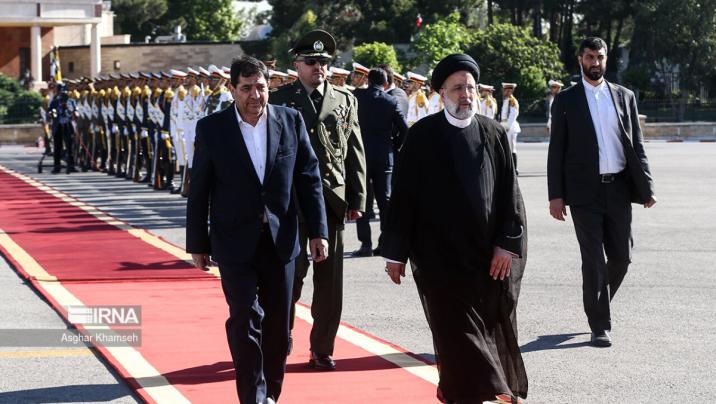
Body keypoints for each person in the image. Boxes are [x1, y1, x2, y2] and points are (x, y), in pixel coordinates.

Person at [382, 54, 528, 404]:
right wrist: (395, 252)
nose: (466, 95)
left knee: (479, 328)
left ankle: (455, 390)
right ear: (441, 93)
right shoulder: (422, 136)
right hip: (438, 258)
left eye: (471, 88)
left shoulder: (494, 133)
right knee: (456, 330)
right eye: (458, 88)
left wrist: (506, 243)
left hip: (486, 256)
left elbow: (510, 195)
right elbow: (403, 197)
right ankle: (493, 385)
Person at [186, 55, 329, 404]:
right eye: (247, 88)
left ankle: (271, 394)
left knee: (278, 325)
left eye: (261, 87)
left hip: (281, 240)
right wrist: (197, 243)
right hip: (234, 241)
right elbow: (199, 188)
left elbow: (308, 179)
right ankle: (253, 397)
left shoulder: (290, 120)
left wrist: (318, 231)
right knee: (245, 317)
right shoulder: (212, 128)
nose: (255, 95)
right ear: (232, 89)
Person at [548, 37, 657, 348]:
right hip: (584, 193)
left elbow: (636, 145)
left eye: (599, 57)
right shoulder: (566, 100)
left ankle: (597, 301)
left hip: (619, 188)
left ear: (606, 59)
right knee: (594, 259)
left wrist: (647, 187)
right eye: (589, 57)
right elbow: (557, 150)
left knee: (622, 257)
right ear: (580, 60)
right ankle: (600, 325)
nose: (594, 62)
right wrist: (556, 195)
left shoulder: (624, 96)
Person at [269, 29, 367, 370]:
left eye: (324, 61)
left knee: (329, 284)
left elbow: (354, 150)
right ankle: (281, 335)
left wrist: (357, 197)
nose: (319, 67)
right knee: (291, 276)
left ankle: (322, 348)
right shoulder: (279, 100)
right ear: (297, 64)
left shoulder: (345, 99)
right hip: (292, 202)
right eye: (311, 61)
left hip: (331, 200)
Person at [351, 68, 408, 257]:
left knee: (363, 200)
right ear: (385, 83)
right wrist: (394, 145)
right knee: (385, 201)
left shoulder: (356, 97)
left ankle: (365, 244)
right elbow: (404, 129)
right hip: (384, 155)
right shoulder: (390, 101)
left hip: (361, 155)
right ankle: (384, 242)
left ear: (368, 80)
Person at [48, 82, 78, 174]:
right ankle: (57, 166)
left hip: (68, 124)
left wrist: (69, 109)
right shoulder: (54, 101)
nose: (63, 94)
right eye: (60, 91)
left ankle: (71, 165)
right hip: (58, 125)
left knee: (70, 145)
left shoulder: (71, 101)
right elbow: (50, 112)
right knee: (57, 146)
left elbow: (75, 113)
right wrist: (53, 113)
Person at [500, 82, 521, 174]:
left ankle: (514, 169)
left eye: (506, 90)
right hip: (504, 125)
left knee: (512, 148)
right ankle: (508, 167)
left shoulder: (512, 101)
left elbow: (513, 115)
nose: (504, 92)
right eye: (504, 90)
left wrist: (507, 126)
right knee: (506, 147)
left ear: (510, 91)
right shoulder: (506, 100)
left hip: (510, 127)